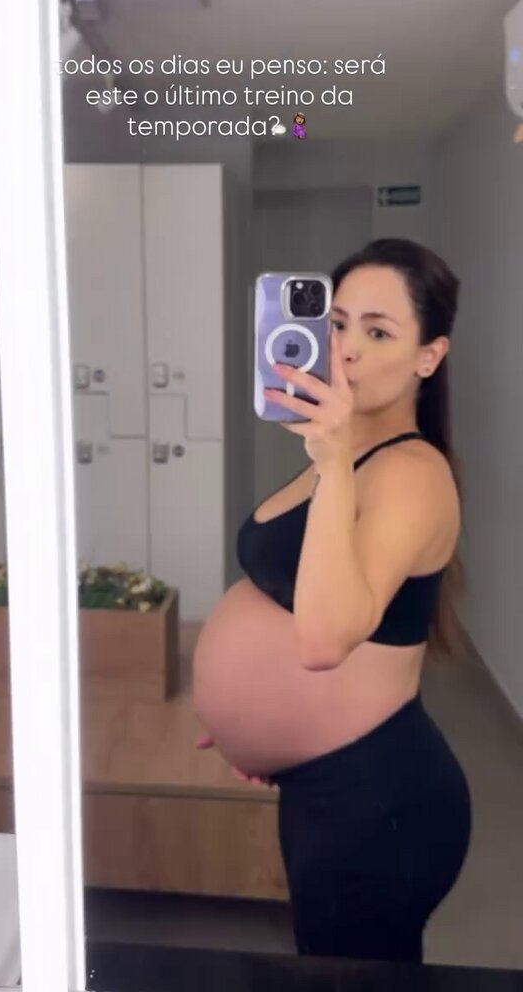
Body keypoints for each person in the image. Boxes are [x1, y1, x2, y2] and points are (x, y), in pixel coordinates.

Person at [193, 238, 472, 964]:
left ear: (428, 357)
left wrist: (333, 459)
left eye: (378, 332)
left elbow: (322, 641)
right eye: (337, 323)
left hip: (376, 800)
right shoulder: (345, 458)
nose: (345, 349)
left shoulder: (408, 473)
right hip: (326, 781)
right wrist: (247, 721)